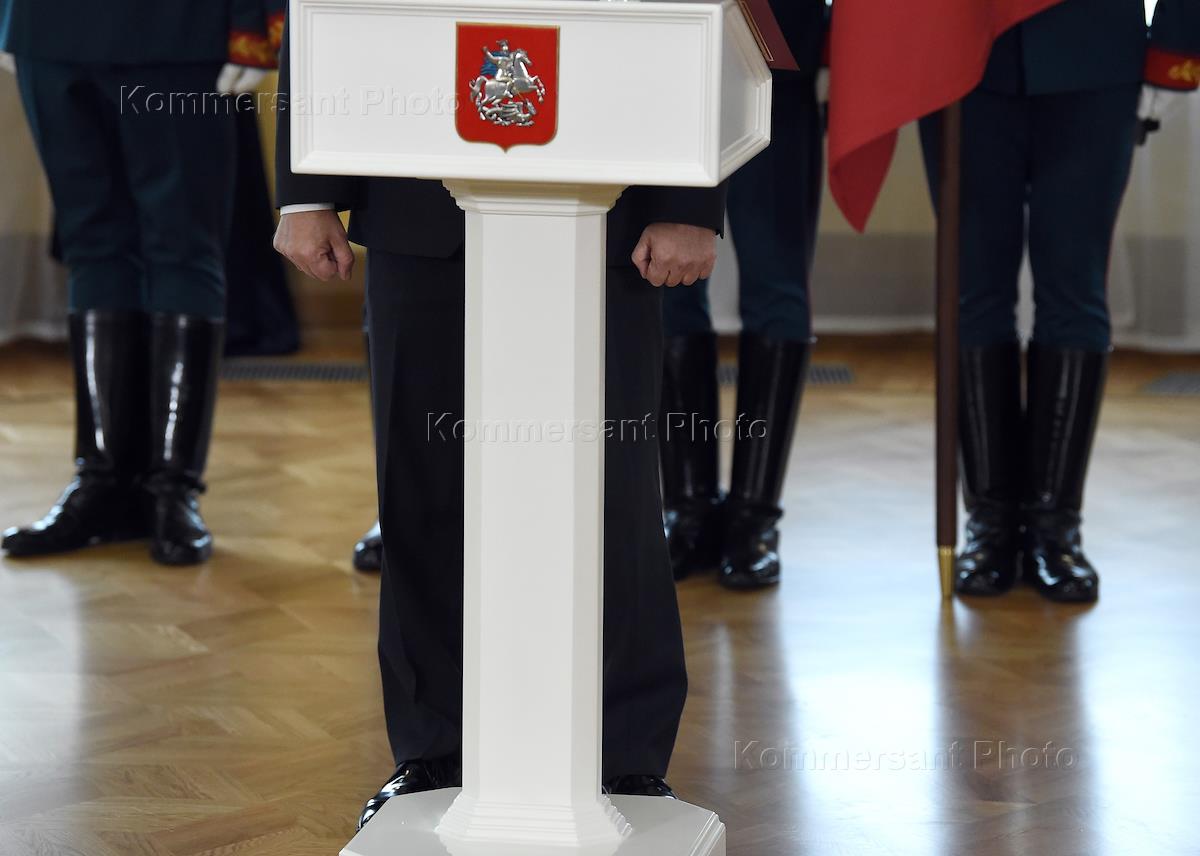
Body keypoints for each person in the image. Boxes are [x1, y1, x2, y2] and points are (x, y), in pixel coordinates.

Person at [270, 18, 725, 825]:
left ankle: (624, 755)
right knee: (420, 487)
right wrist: (309, 188)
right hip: (413, 189)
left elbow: (689, 9)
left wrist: (688, 197)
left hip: (608, 187)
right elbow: (329, 6)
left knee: (613, 494)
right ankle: (434, 748)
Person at [918, 0, 1199, 602]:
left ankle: (1055, 527)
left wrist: (1176, 49)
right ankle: (990, 523)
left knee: (1075, 291)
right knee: (972, 292)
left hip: (1094, 51)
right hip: (958, 53)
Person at [0, 0, 284, 565]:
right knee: (90, 243)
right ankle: (102, 481)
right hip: (44, 21)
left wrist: (253, 23)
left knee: (184, 247)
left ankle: (171, 487)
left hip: (180, 28)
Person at [658, 0, 827, 590]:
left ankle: (755, 518)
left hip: (773, 55)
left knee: (777, 286)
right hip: (662, 57)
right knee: (666, 286)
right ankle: (689, 508)